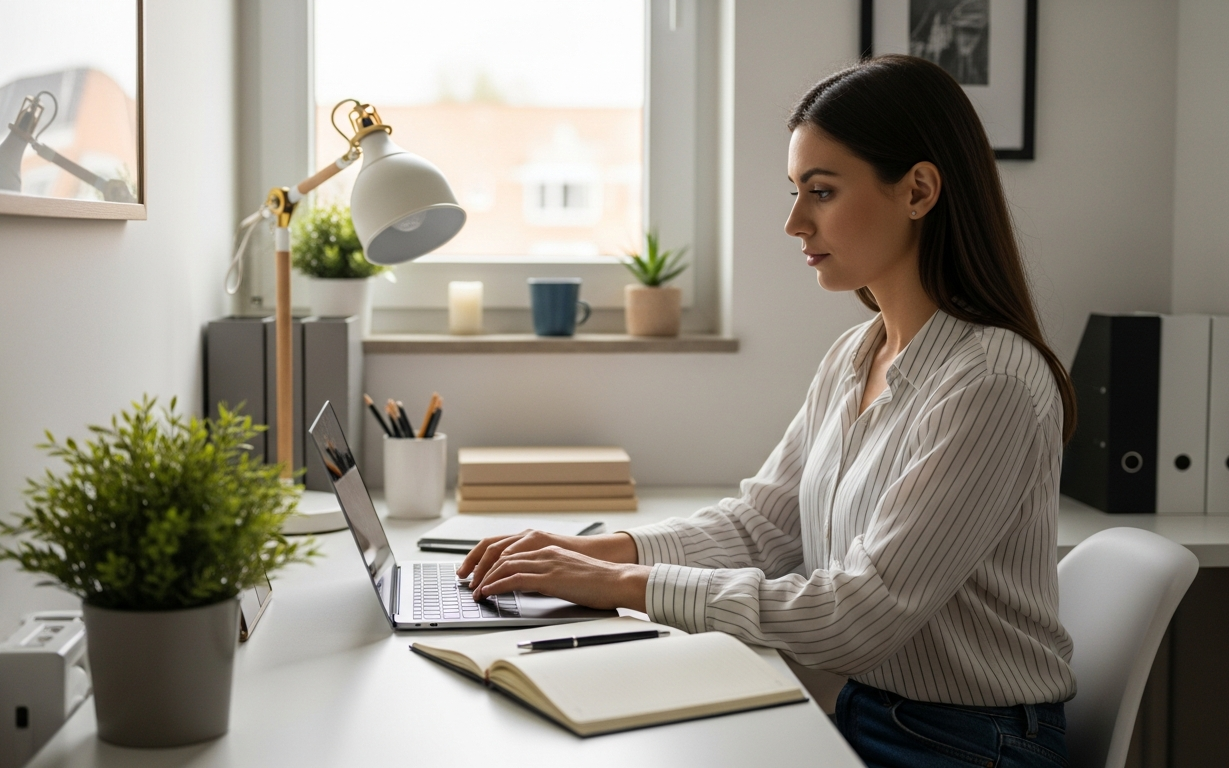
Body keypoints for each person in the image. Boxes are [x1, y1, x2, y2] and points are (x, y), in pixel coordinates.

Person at [458, 54, 1076, 768]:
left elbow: (859, 615)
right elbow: (761, 529)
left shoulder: (989, 383)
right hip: (867, 711)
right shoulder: (855, 355)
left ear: (918, 190)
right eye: (795, 191)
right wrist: (585, 553)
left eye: (820, 191)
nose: (792, 222)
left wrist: (622, 586)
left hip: (970, 743)